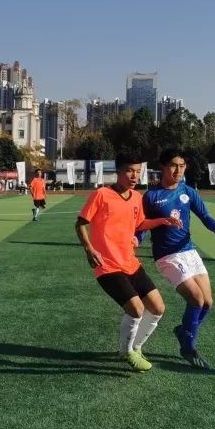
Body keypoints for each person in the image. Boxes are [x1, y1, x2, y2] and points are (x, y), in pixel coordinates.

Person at [75, 154, 182, 372]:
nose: (135, 176)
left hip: (130, 262)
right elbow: (80, 223)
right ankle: (126, 352)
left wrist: (163, 221)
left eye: (138, 171)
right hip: (107, 265)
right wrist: (89, 249)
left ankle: (136, 347)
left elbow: (140, 223)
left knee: (158, 307)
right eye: (130, 171)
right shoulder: (101, 194)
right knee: (136, 308)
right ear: (118, 172)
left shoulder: (136, 197)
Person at [139, 149, 215, 370]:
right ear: (163, 167)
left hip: (188, 251)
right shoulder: (151, 196)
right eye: (173, 165)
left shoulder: (188, 191)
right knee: (196, 299)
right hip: (167, 255)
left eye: (182, 166)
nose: (178, 170)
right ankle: (188, 348)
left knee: (208, 303)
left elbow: (204, 215)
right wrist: (136, 239)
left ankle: (183, 331)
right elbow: (142, 224)